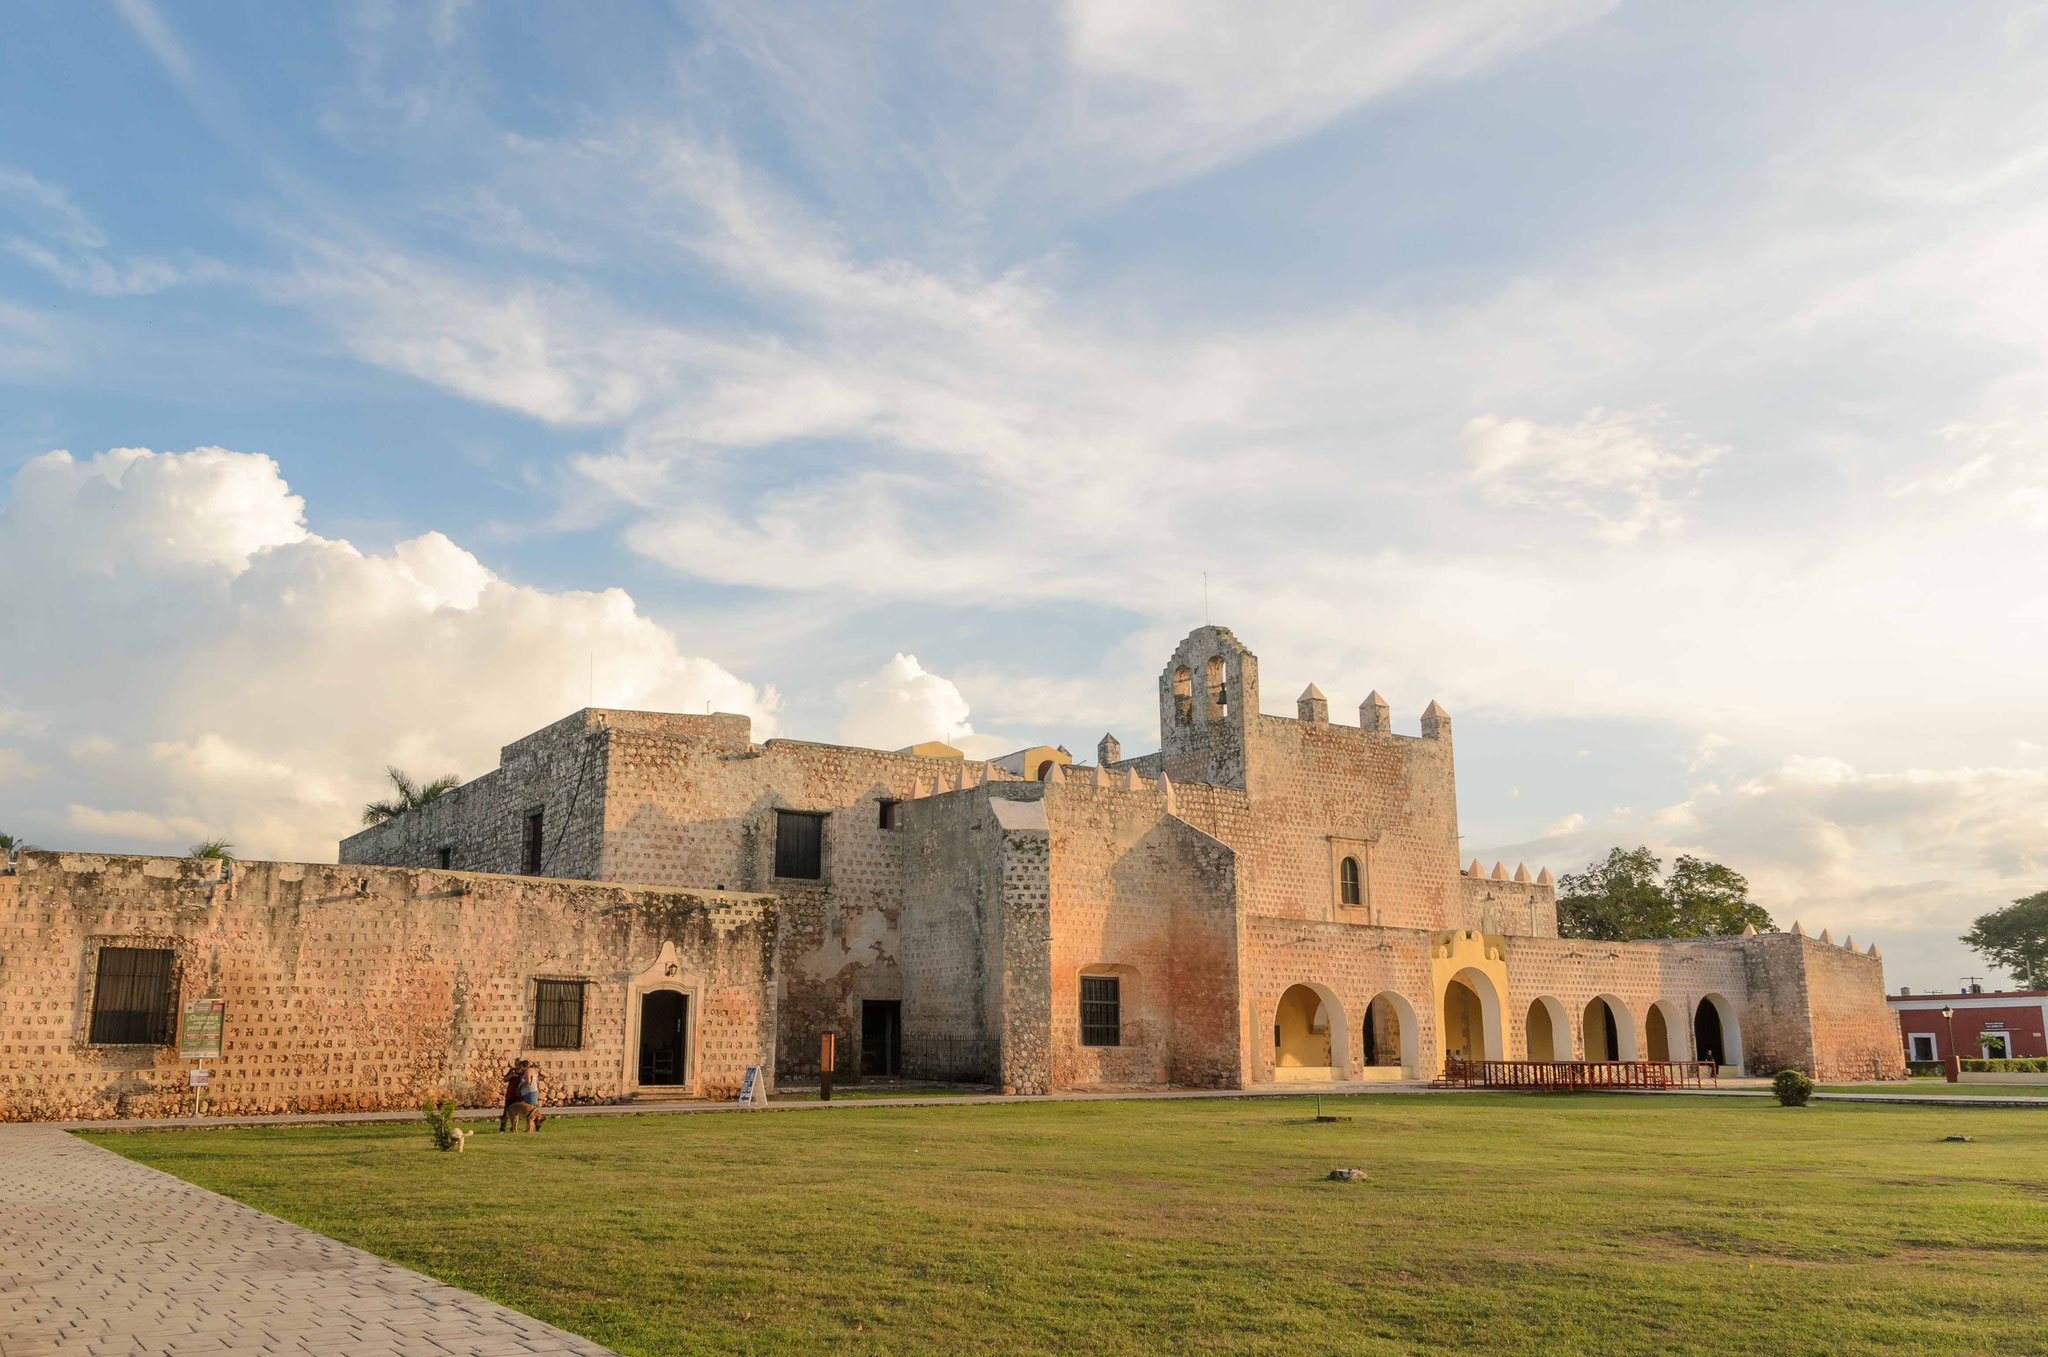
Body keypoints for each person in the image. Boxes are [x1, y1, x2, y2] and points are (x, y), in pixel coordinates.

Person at [513, 1060, 544, 1132]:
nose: (521, 1069)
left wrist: (520, 1085)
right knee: (532, 1113)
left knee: (530, 1113)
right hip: (532, 1092)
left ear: (524, 1066)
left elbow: (528, 1081)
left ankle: (529, 1130)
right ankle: (529, 1129)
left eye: (521, 1067)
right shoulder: (533, 1070)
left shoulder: (528, 1071)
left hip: (530, 1093)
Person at [499, 1059, 525, 1132]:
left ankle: (513, 1127)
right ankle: (502, 1128)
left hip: (518, 1096)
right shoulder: (512, 1070)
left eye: (518, 1064)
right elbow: (504, 1080)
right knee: (506, 1111)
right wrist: (511, 1076)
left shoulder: (524, 1072)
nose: (517, 1066)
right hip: (510, 1094)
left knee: (516, 1113)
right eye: (516, 1064)